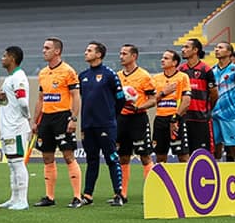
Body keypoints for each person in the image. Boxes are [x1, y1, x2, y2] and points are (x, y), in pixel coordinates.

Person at [33, 38, 83, 208]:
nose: (43, 50)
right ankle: (49, 196)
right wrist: (35, 121)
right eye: (43, 47)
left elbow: (76, 96)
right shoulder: (43, 73)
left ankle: (77, 197)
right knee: (47, 156)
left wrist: (74, 118)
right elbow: (41, 98)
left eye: (47, 48)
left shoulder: (68, 71)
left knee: (68, 155)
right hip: (46, 118)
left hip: (62, 117)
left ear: (57, 51)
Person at [79, 41, 125, 206]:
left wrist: (110, 116)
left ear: (99, 54)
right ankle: (88, 195)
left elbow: (121, 99)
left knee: (112, 158)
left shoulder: (109, 74)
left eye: (89, 50)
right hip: (88, 126)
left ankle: (118, 194)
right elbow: (84, 101)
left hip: (106, 125)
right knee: (91, 160)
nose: (86, 52)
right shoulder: (83, 75)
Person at [115, 44, 155, 199]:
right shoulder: (117, 76)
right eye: (120, 53)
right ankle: (122, 193)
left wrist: (139, 107)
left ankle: (150, 193)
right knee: (123, 157)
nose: (121, 56)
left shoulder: (144, 76)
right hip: (121, 119)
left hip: (138, 119)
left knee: (145, 156)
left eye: (124, 53)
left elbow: (152, 100)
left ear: (134, 56)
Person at [0, 46, 31, 211]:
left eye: (4, 56)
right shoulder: (9, 78)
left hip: (16, 127)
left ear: (12, 58)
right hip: (7, 127)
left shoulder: (19, 76)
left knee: (17, 163)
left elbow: (23, 101)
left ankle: (23, 200)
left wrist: (27, 116)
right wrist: (1, 99)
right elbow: (10, 102)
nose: (2, 58)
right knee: (11, 164)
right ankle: (14, 197)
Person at [176, 39, 216, 160]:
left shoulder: (206, 69)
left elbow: (214, 94)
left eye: (186, 47)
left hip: (201, 118)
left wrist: (206, 108)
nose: (183, 49)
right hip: (184, 117)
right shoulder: (180, 70)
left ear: (195, 50)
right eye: (183, 47)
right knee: (183, 153)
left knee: (203, 154)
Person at [150, 50, 190, 164]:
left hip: (176, 119)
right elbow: (152, 100)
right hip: (160, 119)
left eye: (166, 58)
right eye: (162, 57)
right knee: (160, 157)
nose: (162, 60)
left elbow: (186, 100)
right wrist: (163, 92)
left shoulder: (183, 77)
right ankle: (163, 181)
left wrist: (175, 118)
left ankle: (184, 181)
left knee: (183, 156)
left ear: (174, 62)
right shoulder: (156, 78)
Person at [210, 43, 235, 161]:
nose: (217, 50)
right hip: (215, 114)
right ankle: (218, 175)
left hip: (230, 115)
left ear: (229, 52)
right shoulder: (212, 71)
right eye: (216, 47)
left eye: (220, 48)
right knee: (216, 148)